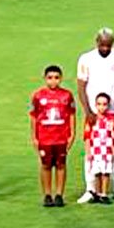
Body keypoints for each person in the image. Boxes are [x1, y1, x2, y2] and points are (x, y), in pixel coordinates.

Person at [74, 27, 114, 202]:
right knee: (91, 151)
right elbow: (81, 86)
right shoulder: (86, 58)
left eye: (108, 45)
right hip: (94, 112)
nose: (105, 48)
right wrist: (88, 111)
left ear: (113, 43)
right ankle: (90, 188)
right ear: (96, 42)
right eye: (102, 45)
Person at [30, 64, 77, 207]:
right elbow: (33, 117)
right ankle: (47, 195)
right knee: (46, 165)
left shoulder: (67, 95)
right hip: (45, 138)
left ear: (61, 78)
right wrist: (34, 137)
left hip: (61, 138)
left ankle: (59, 195)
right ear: (44, 78)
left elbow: (71, 115)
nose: (53, 81)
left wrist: (72, 134)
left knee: (61, 165)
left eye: (56, 78)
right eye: (50, 78)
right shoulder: (38, 96)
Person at [84, 93, 114, 206]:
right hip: (96, 150)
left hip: (107, 150)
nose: (101, 107)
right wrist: (88, 151)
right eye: (99, 104)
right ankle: (97, 193)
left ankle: (104, 194)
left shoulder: (112, 120)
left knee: (106, 172)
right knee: (97, 172)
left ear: (108, 105)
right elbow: (87, 136)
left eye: (104, 104)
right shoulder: (91, 119)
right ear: (95, 105)